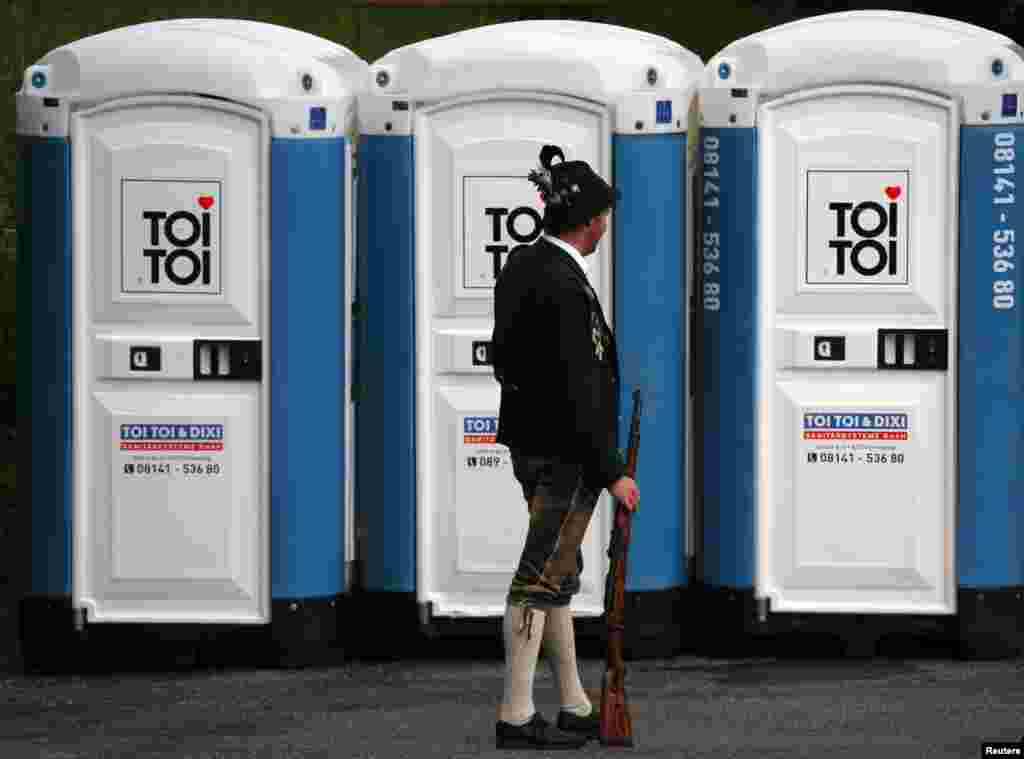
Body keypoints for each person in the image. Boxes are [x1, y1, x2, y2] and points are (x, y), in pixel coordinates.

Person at [490, 144, 640, 750]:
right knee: (538, 578)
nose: (606, 223)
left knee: (557, 576)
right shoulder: (563, 283)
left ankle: (575, 702)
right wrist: (611, 472)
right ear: (588, 221)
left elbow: (507, 361)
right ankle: (516, 713)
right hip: (568, 455)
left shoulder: (523, 265)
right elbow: (581, 387)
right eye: (603, 214)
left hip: (534, 444)